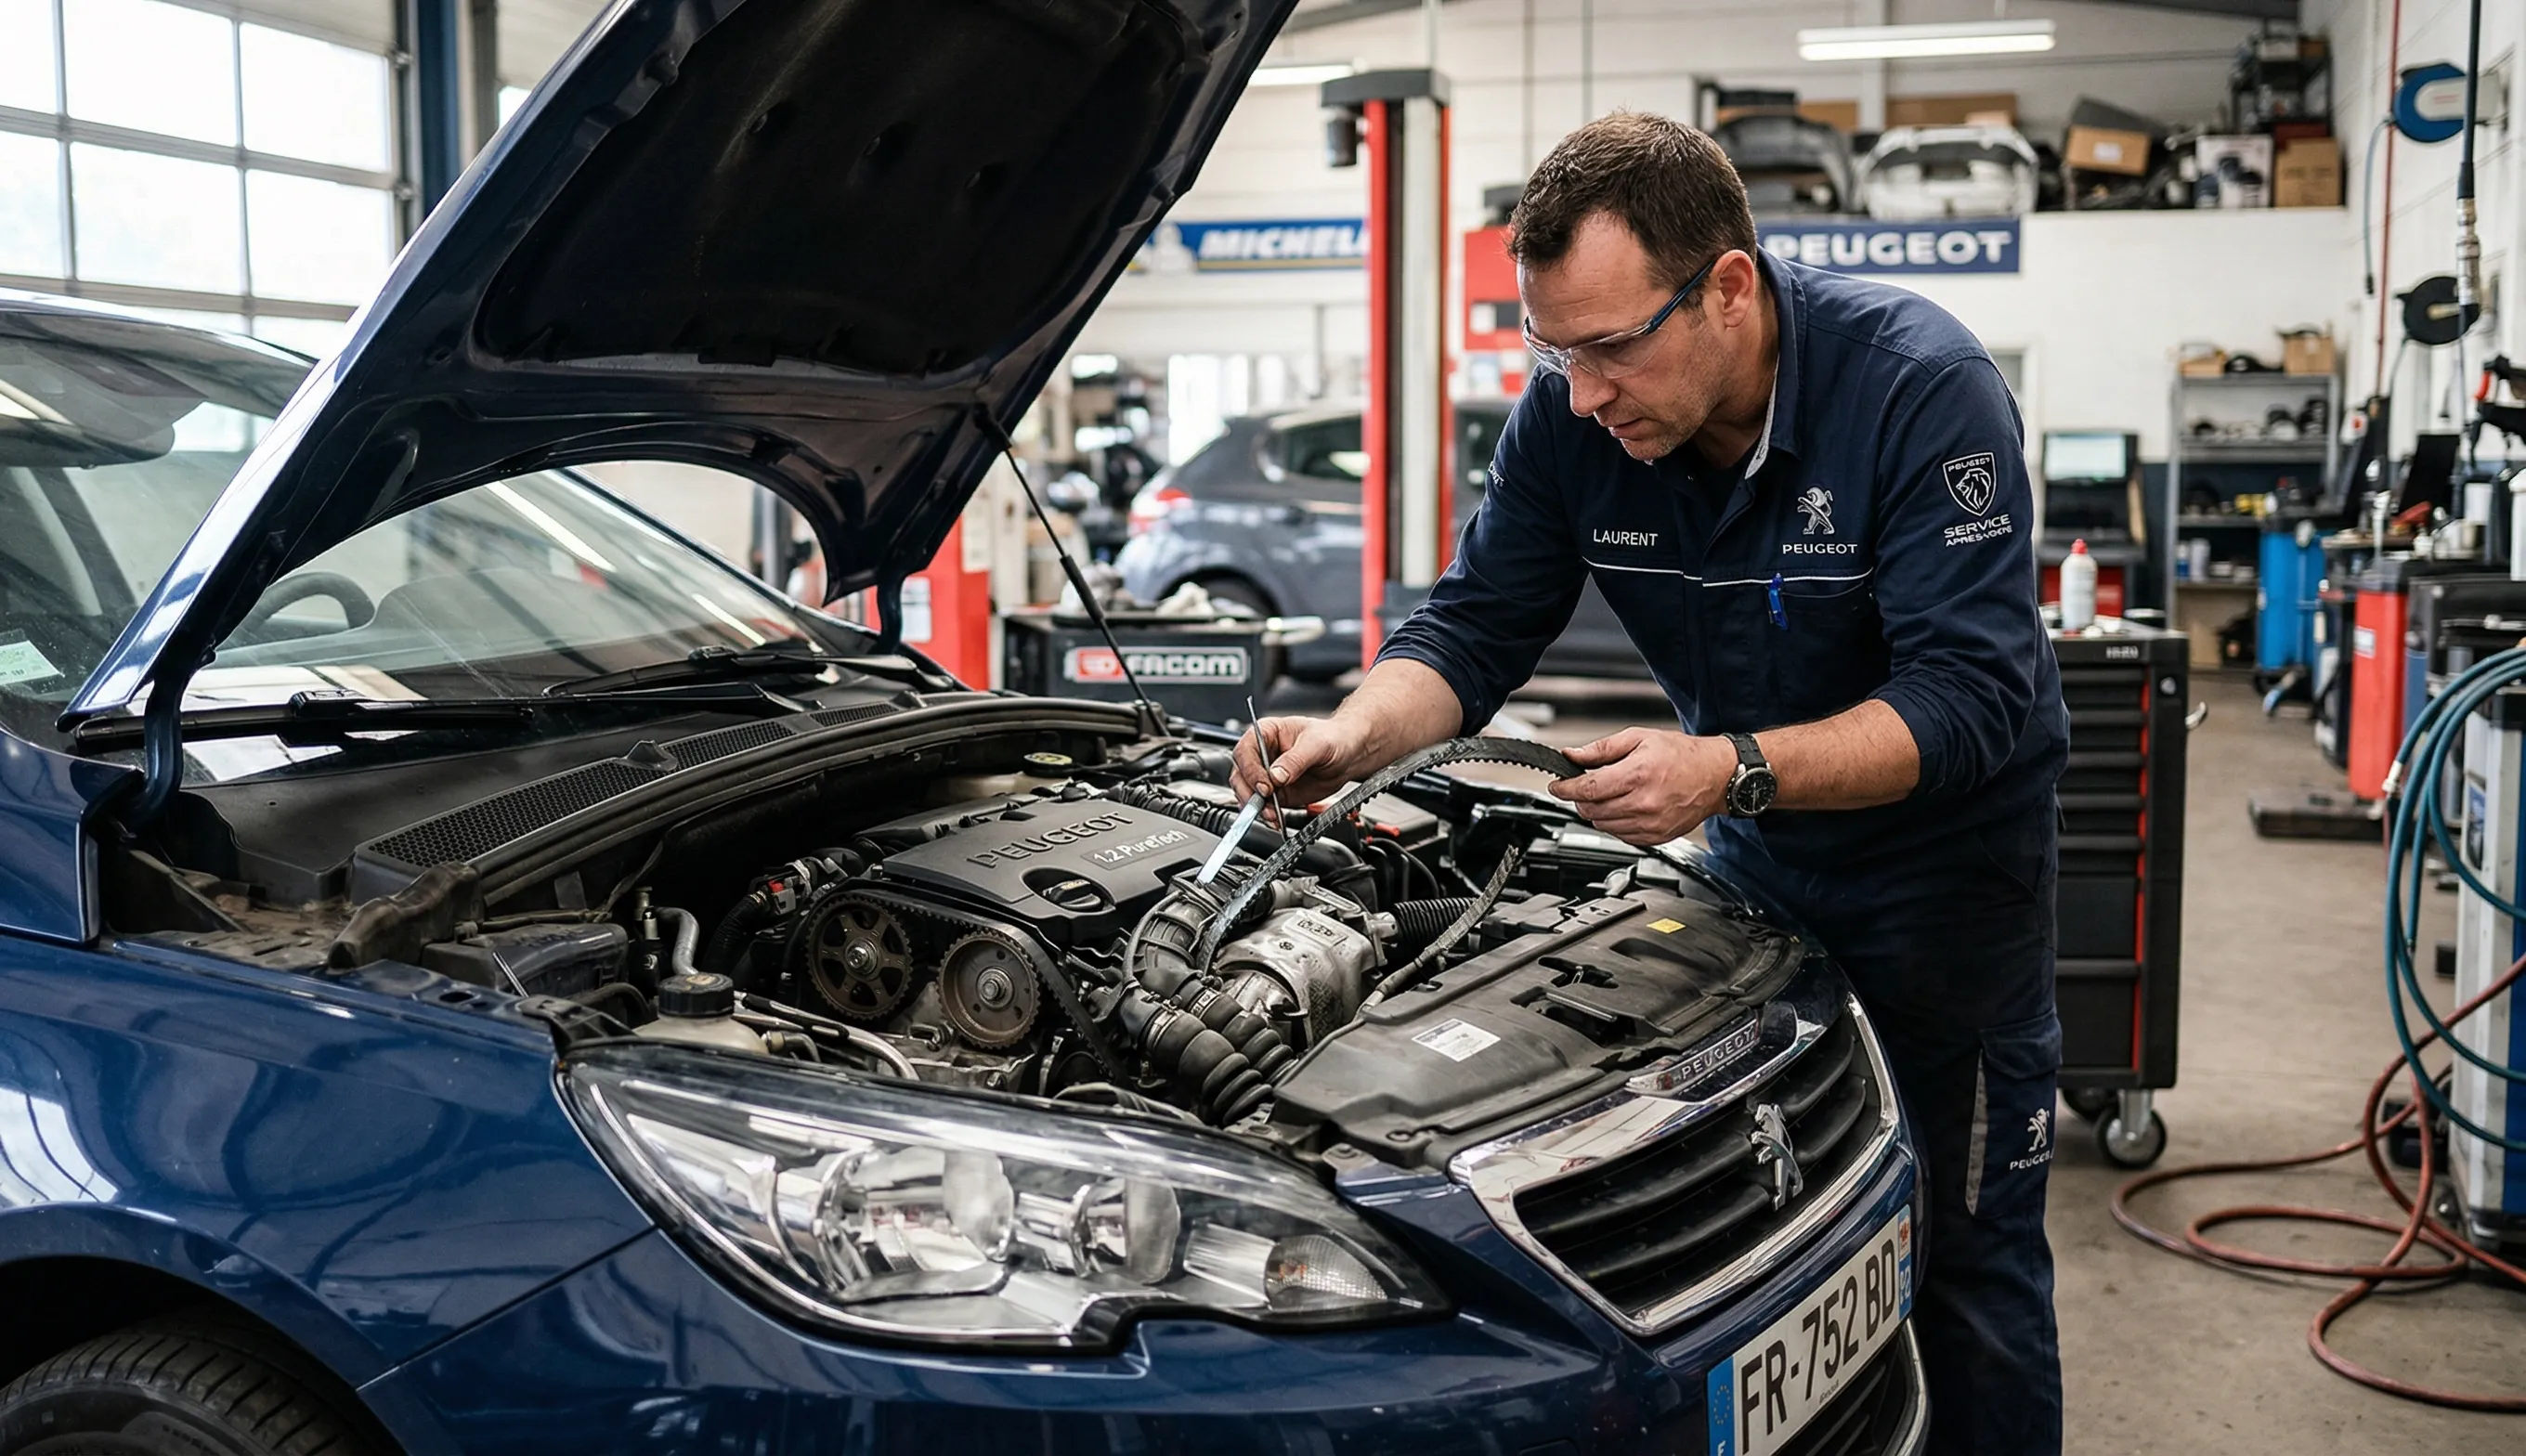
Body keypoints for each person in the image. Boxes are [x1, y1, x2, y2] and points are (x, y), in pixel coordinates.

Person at [1233, 112, 2067, 1456]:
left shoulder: (1919, 388)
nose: (1582, 394)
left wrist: (1728, 770)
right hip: (1752, 865)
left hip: (1944, 888)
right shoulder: (1576, 424)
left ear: (1730, 288)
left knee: (1963, 1260)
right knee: (1762, 1237)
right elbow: (1474, 628)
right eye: (1553, 351)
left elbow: (1971, 700)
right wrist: (1352, 734)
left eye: (1613, 346)